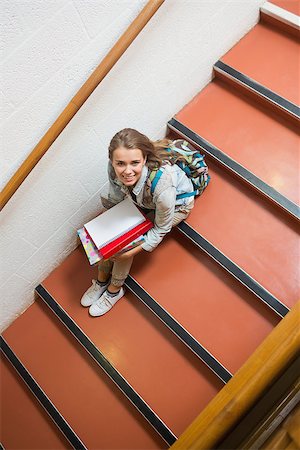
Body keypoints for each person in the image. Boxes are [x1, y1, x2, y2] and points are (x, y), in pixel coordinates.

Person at [80, 128, 195, 317]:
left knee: (125, 245)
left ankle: (114, 290)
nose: (127, 171)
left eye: (135, 163)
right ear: (112, 162)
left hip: (176, 206)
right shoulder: (113, 169)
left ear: (145, 159)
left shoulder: (162, 185)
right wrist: (109, 225)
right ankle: (100, 282)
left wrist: (131, 251)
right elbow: (116, 198)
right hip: (144, 201)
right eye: (120, 164)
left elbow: (161, 228)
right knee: (109, 235)